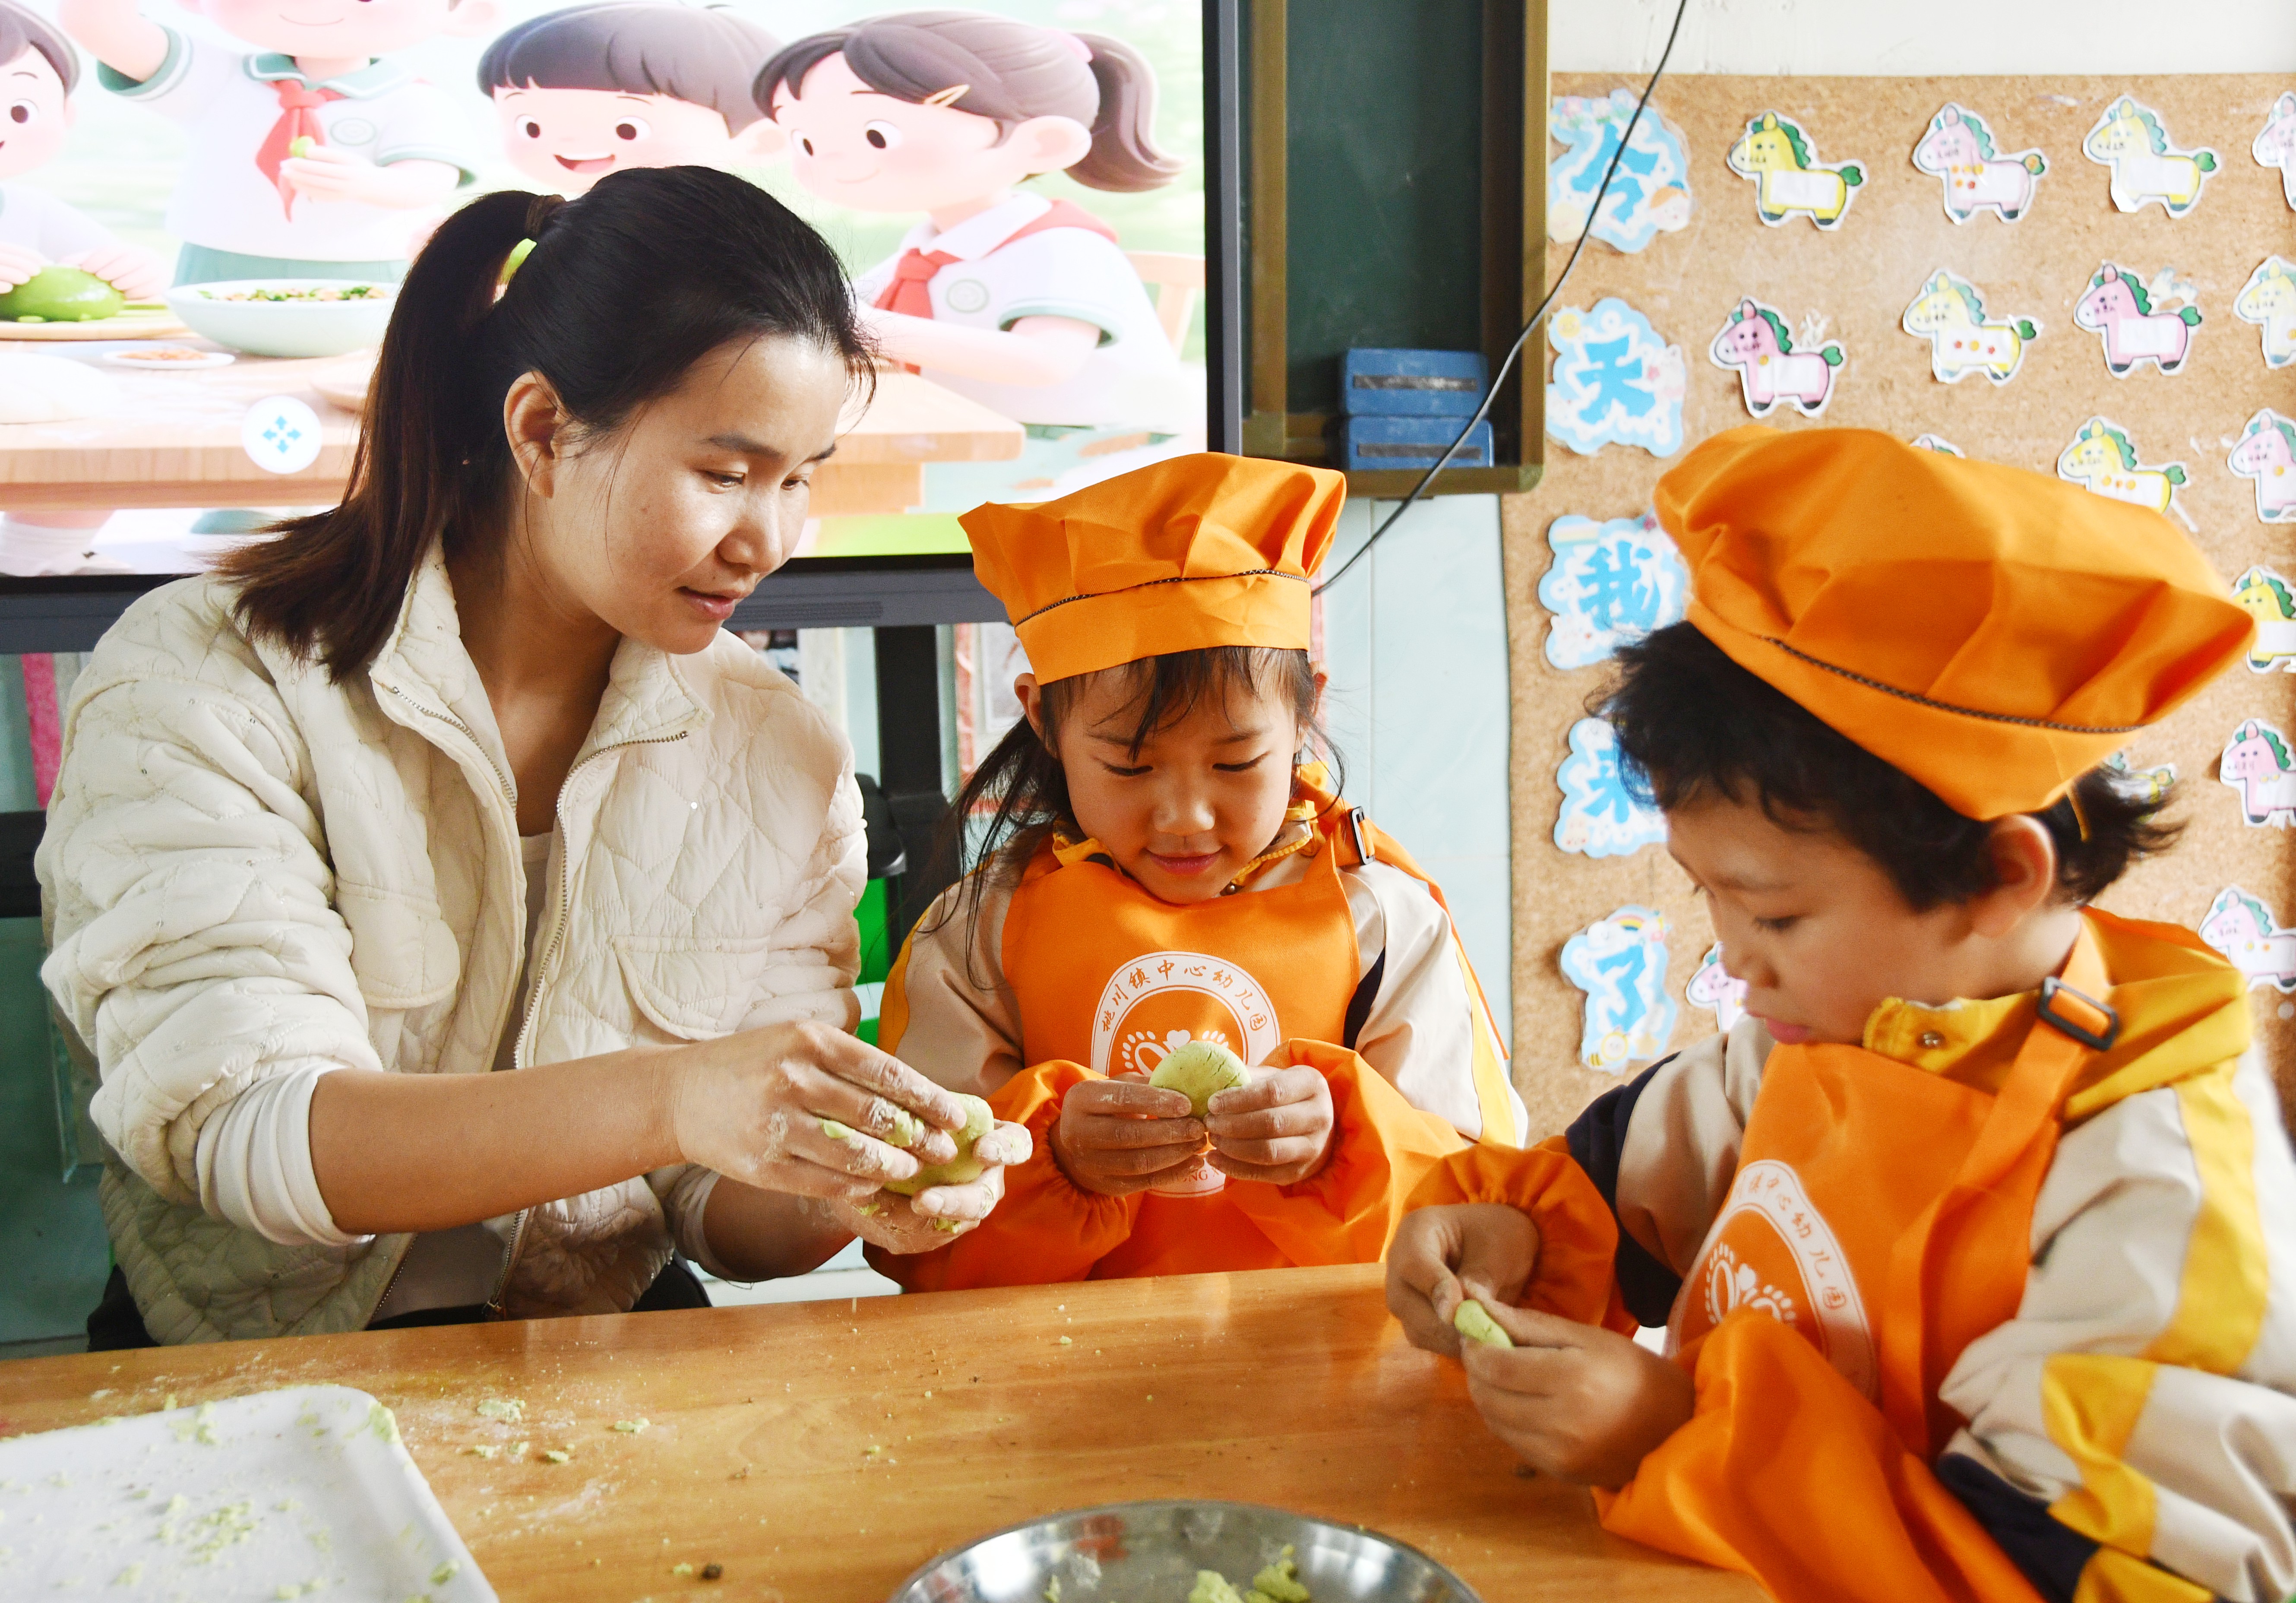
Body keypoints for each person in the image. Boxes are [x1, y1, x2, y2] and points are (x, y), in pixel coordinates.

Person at [1386, 427, 2296, 1603]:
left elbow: (2045, 1573)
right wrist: (1514, 1238)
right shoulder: (1834, 1027)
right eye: (1708, 897)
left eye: (1774, 917)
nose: (1734, 968)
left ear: (2001, 880)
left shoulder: (2152, 1187)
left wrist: (1674, 1436)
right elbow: (1625, 1185)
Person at [37, 167, 1030, 1347]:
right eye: (724, 475)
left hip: (592, 1343)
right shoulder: (208, 676)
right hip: (254, 1363)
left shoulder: (780, 748)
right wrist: (678, 1096)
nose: (766, 539)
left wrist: (864, 1182)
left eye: (799, 479)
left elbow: (721, 1217)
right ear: (544, 430)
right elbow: (249, 1135)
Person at [866, 453, 1521, 1292]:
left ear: (1303, 711)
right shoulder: (981, 933)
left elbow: (1483, 1210)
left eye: (1237, 762)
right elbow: (902, 1228)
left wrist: (1342, 1146)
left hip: (1329, 1376)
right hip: (1056, 1385)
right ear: (1044, 719)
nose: (1186, 817)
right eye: (1131, 768)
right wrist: (1055, 1161)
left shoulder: (1380, 920)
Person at [754, 9, 1195, 435]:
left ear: (1043, 143)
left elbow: (1045, 361)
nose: (831, 159)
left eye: (878, 136)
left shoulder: (1065, 247)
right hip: (974, 432)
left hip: (1088, 446)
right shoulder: (926, 252)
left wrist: (866, 326)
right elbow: (840, 310)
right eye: (805, 140)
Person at [59, 0, 485, 285]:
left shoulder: (415, 99)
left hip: (370, 275)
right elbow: (96, 25)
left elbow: (430, 181)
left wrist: (365, 184)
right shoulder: (218, 76)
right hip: (216, 269)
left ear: (465, 12)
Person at [0, 0, 169, 577]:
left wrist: (135, 271)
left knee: (94, 445)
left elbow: (135, 289)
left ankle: (38, 559)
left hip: (36, 413)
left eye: (20, 110)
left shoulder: (29, 208)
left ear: (66, 114)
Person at [477, 2, 785, 198]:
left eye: (629, 129)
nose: (570, 142)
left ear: (760, 140)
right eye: (531, 127)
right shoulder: (549, 222)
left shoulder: (724, 223)